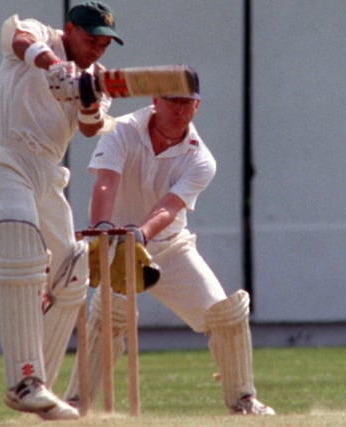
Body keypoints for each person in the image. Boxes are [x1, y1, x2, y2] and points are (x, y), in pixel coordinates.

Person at [63, 71, 276, 416]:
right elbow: (105, 181)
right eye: (172, 101)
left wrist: (142, 235)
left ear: (197, 106)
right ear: (155, 101)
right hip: (115, 244)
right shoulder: (122, 129)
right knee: (108, 320)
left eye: (186, 103)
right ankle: (76, 402)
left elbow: (169, 206)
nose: (179, 110)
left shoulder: (200, 158)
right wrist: (103, 229)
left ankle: (243, 400)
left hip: (168, 246)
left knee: (226, 315)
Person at [0, 1, 123, 421]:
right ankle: (24, 381)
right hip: (4, 158)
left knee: (73, 270)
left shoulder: (95, 78)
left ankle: (41, 388)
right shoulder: (38, 34)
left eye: (105, 44)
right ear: (69, 29)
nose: (97, 50)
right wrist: (56, 66)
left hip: (49, 173)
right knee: (21, 245)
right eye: (91, 39)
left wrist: (89, 102)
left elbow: (91, 128)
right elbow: (20, 41)